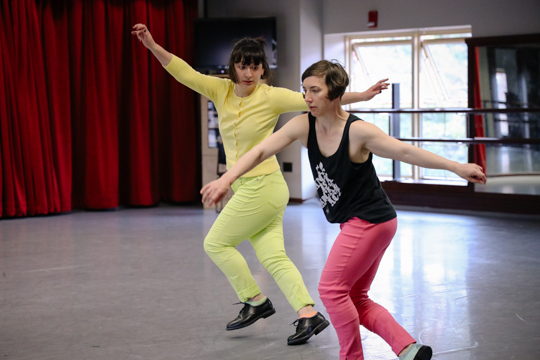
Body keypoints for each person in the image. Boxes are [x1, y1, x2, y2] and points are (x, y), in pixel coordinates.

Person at [200, 60, 486, 360]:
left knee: (332, 289)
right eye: (304, 90)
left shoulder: (358, 131)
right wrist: (227, 178)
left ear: (334, 93)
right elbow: (259, 151)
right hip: (366, 221)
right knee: (355, 298)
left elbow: (404, 150)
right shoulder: (302, 125)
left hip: (370, 220)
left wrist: (456, 167)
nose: (307, 98)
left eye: (314, 91)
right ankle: (408, 347)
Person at [131, 24, 390, 345]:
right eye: (243, 66)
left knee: (215, 243)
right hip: (252, 187)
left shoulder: (271, 96)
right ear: (234, 68)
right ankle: (308, 314)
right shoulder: (220, 90)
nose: (249, 73)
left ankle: (255, 301)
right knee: (273, 257)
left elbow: (319, 95)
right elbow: (183, 72)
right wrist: (153, 45)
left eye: (255, 67)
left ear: (263, 69)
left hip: (263, 186)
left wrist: (362, 95)